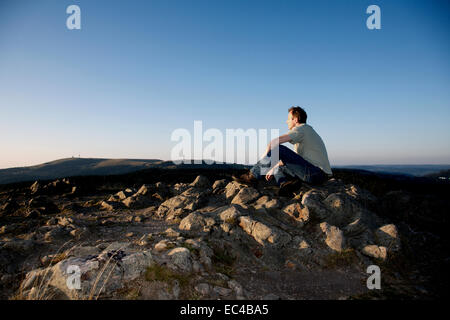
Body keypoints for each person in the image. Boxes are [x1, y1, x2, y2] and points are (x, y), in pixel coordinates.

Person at [233, 106, 333, 196]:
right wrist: (273, 167)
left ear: (296, 119)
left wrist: (261, 164)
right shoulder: (307, 132)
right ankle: (285, 185)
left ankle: (251, 176)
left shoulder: (302, 129)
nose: (286, 121)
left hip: (315, 173)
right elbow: (293, 161)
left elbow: (274, 143)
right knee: (277, 168)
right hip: (317, 175)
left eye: (289, 119)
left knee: (278, 149)